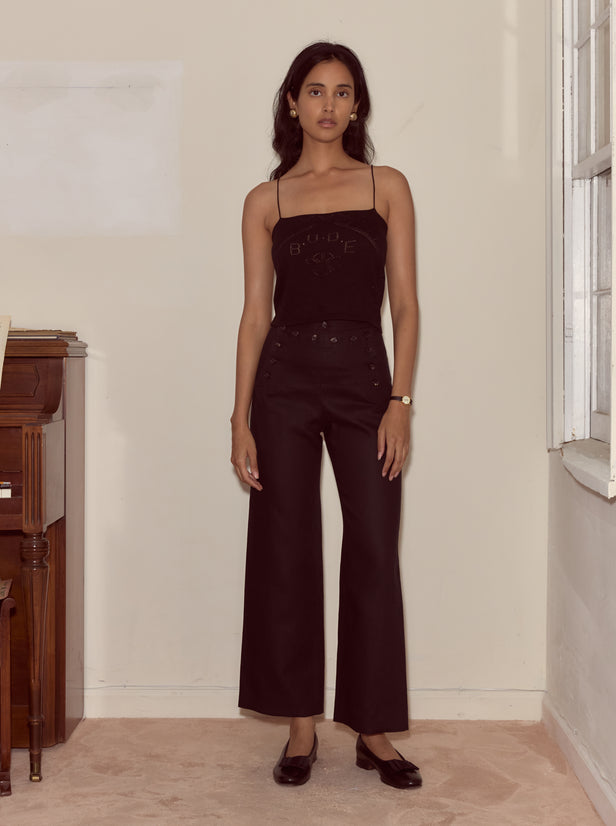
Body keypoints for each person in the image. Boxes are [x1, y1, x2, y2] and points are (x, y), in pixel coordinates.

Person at [230, 42, 420, 789]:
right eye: (315, 91)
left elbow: (405, 306)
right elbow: (254, 316)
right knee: (284, 549)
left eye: (343, 92)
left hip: (365, 382)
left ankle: (372, 729)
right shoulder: (266, 200)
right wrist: (239, 418)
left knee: (373, 546)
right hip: (282, 383)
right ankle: (300, 725)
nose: (329, 105)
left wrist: (400, 402)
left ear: (357, 104)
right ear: (292, 102)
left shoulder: (386, 186)